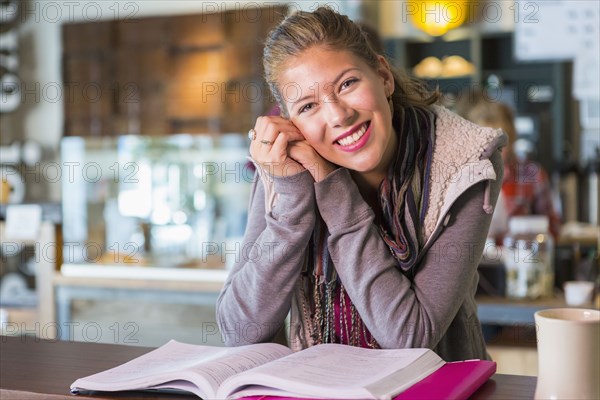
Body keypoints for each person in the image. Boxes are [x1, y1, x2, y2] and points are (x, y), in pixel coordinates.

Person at [216, 7, 506, 362]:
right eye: (308, 106)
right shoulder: (287, 171)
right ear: (292, 122)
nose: (338, 116)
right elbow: (238, 332)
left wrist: (334, 191)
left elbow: (410, 337)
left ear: (383, 76)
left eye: (347, 84)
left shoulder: (465, 162)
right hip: (319, 388)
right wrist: (292, 207)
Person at [454, 90, 561, 240]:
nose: (492, 153)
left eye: (499, 146)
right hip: (474, 261)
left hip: (518, 258)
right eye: (484, 146)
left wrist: (524, 232)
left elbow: (553, 229)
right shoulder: (461, 178)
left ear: (511, 142)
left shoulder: (532, 174)